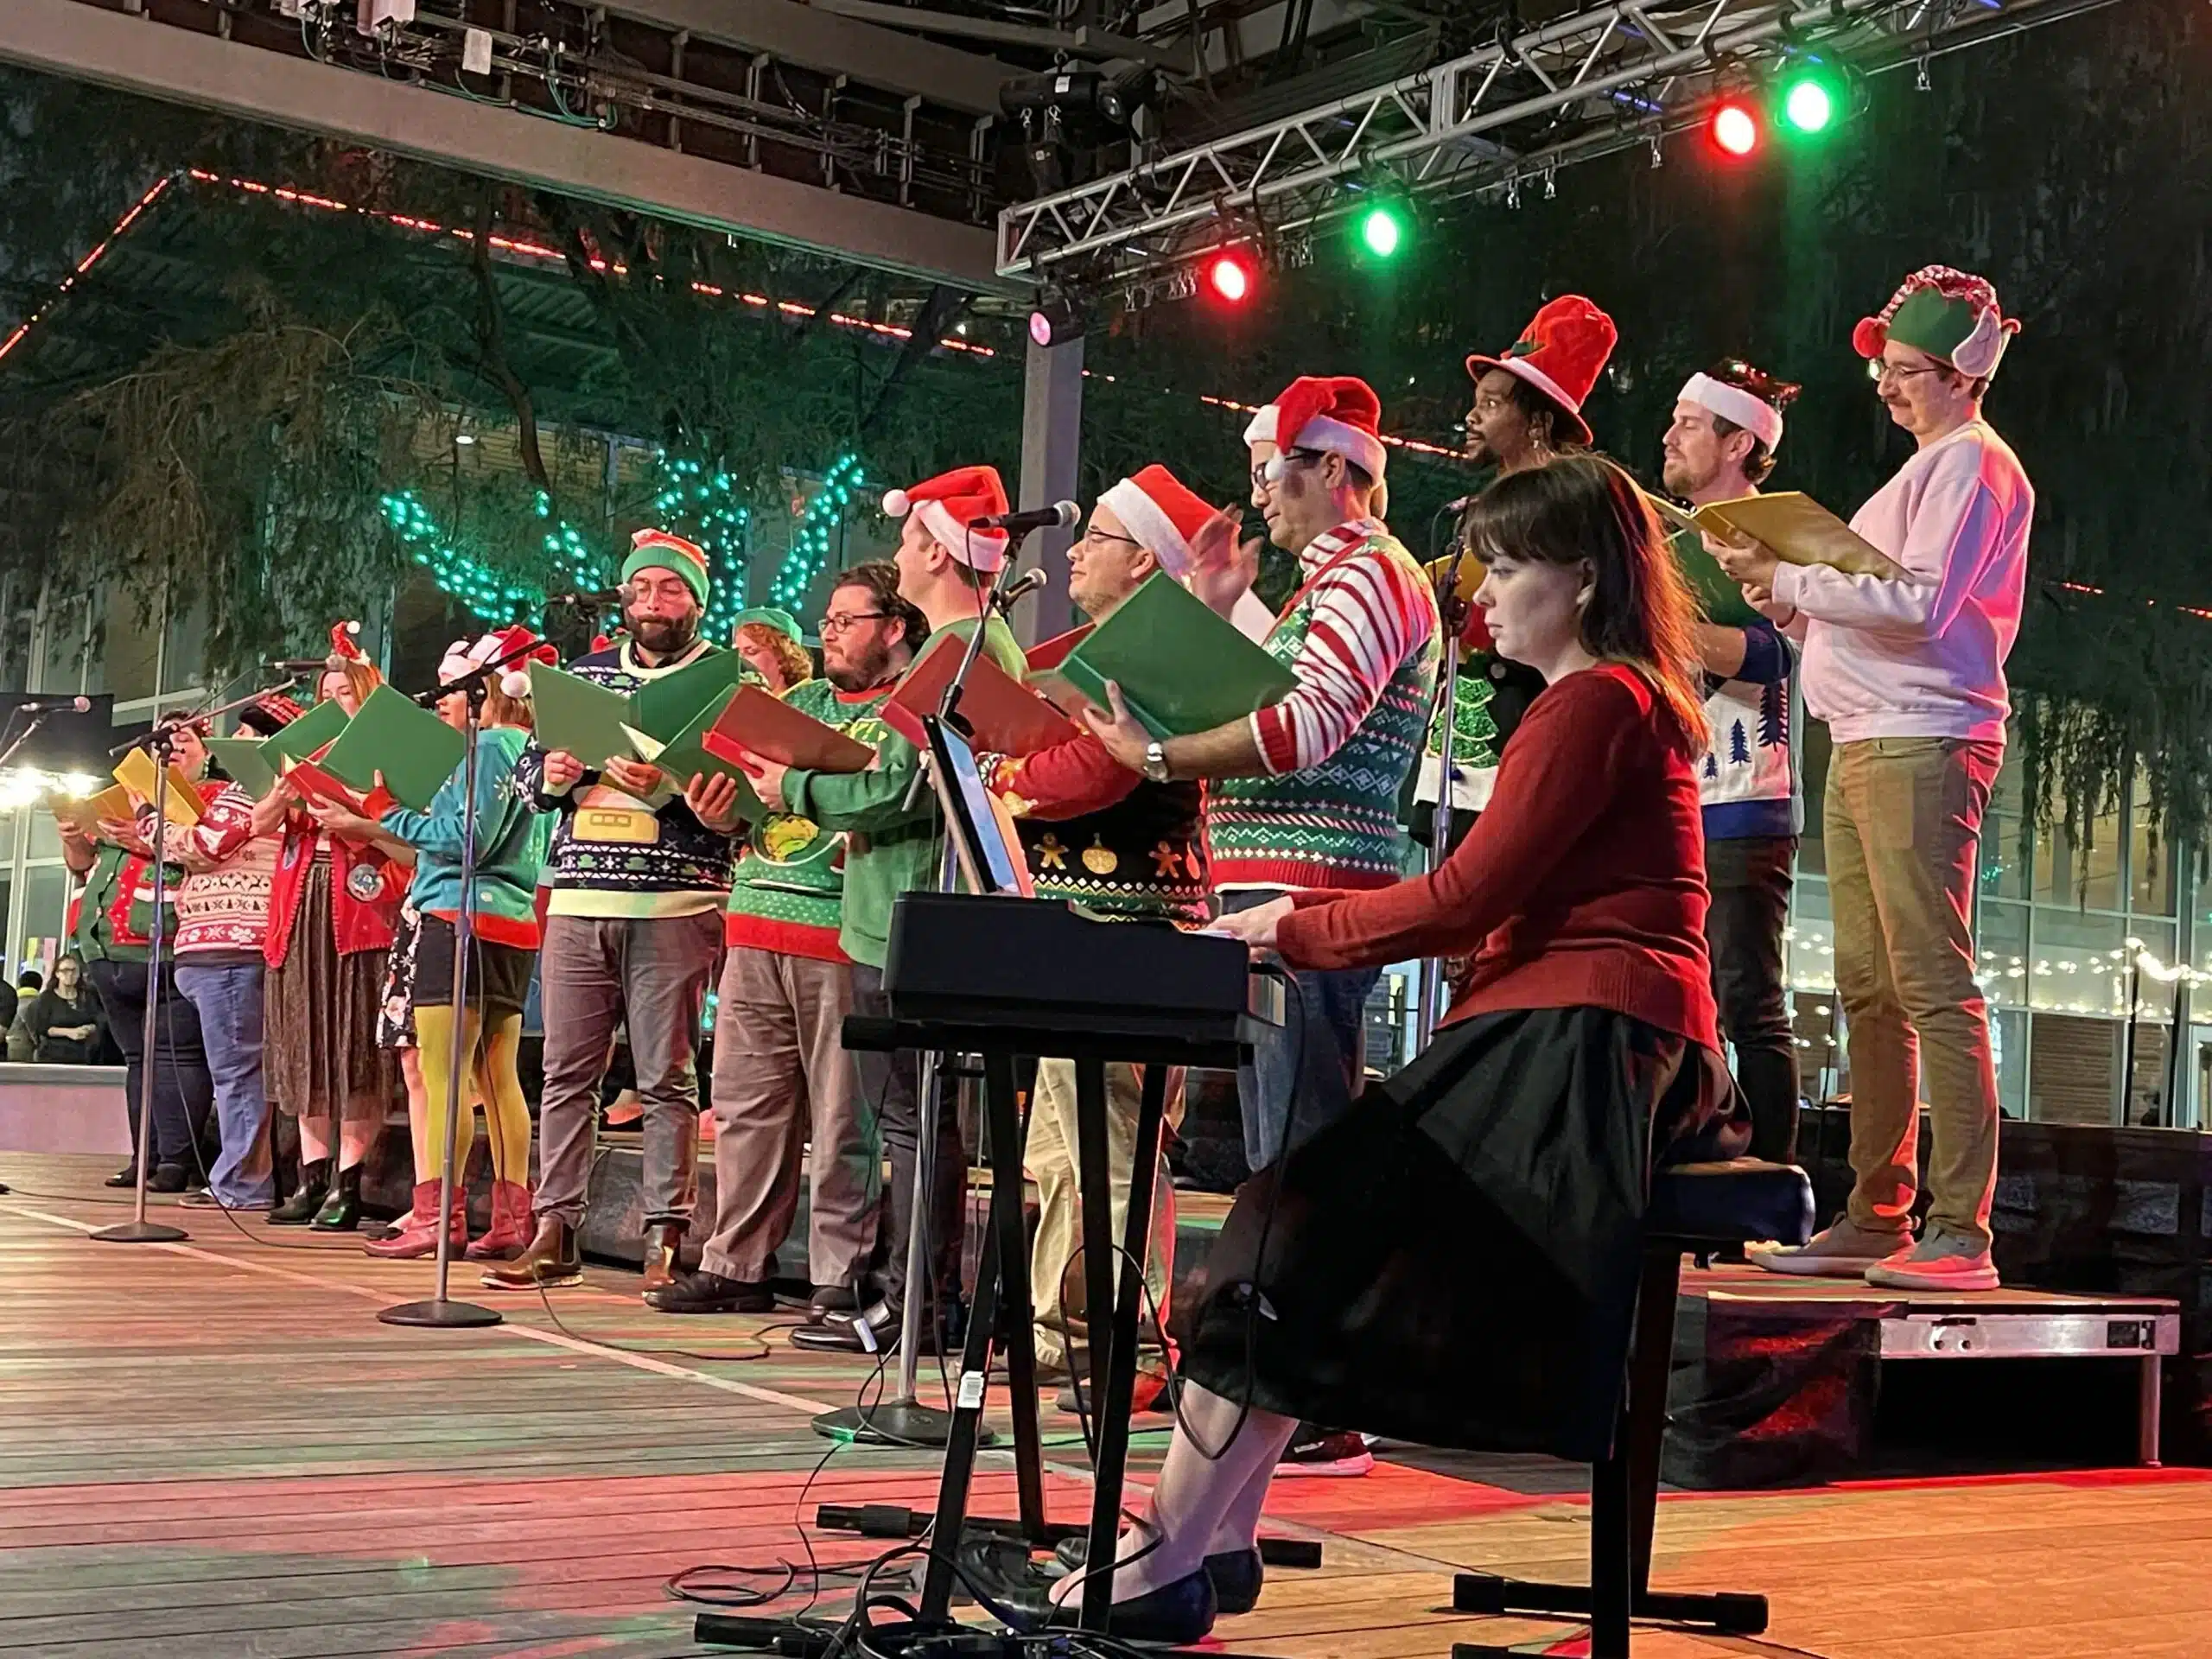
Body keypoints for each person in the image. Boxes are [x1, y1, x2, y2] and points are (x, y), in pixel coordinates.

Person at [980, 454, 1748, 1643]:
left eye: (1506, 567)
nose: (1483, 594)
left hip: (1586, 1044)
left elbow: (1461, 896)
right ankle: (1205, 1540)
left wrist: (1293, 930)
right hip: (1589, 1033)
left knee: (1297, 1228)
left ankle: (1175, 1550)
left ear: (1584, 577)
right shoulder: (1614, 702)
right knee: (1301, 1229)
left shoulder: (1598, 701)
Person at [1084, 379, 1439, 1475]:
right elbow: (1286, 688)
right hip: (1276, 892)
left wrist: (1154, 757)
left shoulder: (1373, 571)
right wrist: (1225, 609)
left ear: (1334, 472)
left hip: (1310, 894)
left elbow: (1302, 724)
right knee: (1285, 1146)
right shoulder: (1334, 582)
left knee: (1302, 1149)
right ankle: (1291, 1387)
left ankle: (1319, 1398)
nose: (1258, 499)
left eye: (1271, 475)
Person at [1721, 267, 2031, 1293]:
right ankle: (1878, 1213)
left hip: (1921, 737)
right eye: (1884, 370)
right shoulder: (1929, 468)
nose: (1885, 387)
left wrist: (1798, 581)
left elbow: (1920, 606)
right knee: (1868, 984)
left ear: (1958, 374)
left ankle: (1962, 1231)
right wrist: (1786, 605)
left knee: (1931, 981)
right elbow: (1877, 610)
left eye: (1903, 370)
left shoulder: (1973, 468)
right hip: (1864, 735)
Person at [734, 466, 1029, 1356]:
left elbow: (895, 786)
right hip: (892, 909)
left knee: (915, 1118)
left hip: (918, 914)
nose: (900, 554)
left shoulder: (961, 649)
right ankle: (914, 1297)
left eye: (907, 541)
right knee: (911, 1119)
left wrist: (793, 786)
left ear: (936, 547)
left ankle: (924, 1303)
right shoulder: (959, 645)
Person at [988, 466, 1217, 1411]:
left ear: (1144, 564)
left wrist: (1010, 769)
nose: (1074, 551)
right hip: (1074, 924)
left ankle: (1134, 1342)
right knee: (1056, 1147)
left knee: (1116, 1147)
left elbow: (1098, 772)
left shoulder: (1163, 652)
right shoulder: (1089, 649)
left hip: (1140, 928)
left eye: (1099, 541)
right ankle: (1054, 1328)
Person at [646, 564, 921, 1319]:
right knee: (745, 1104)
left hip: (840, 931)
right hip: (755, 918)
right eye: (825, 621)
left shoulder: (904, 714)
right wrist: (717, 809)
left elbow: (887, 803)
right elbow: (751, 810)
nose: (828, 633)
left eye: (845, 620)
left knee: (843, 1119)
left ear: (893, 628)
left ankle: (841, 1273)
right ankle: (737, 1260)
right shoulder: (798, 702)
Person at [487, 529, 741, 1293]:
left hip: (677, 898)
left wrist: (670, 788)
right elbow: (529, 780)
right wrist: (557, 771)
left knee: (666, 1076)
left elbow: (743, 801)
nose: (653, 603)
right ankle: (555, 1229)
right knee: (566, 1071)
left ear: (697, 600)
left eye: (670, 590)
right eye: (641, 590)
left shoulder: (725, 685)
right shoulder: (584, 677)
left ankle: (668, 1235)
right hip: (579, 894)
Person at [365, 626, 556, 1261]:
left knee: (445, 1077)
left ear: (486, 688)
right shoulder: (535, 752)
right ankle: (510, 1218)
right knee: (496, 1075)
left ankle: (436, 1216)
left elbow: (461, 839)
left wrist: (383, 810)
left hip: (457, 918)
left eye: (456, 687)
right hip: (511, 923)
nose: (446, 698)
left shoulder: (491, 749)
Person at [1662, 359, 1807, 1161]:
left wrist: (1660, 626)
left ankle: (1771, 1188)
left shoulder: (1776, 535)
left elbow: (1780, 653)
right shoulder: (1671, 535)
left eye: (1688, 422)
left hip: (1749, 791)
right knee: (1685, 997)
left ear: (1739, 441)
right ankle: (1699, 1166)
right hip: (1674, 792)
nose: (1669, 436)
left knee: (1748, 997)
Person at [1417, 296, 1618, 849]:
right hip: (1461, 747)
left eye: (1492, 404)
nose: (1472, 417)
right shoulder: (1474, 509)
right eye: (1475, 403)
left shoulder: (1577, 512)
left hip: (1531, 729)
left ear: (1538, 422)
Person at [263, 624, 410, 1231]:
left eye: (343, 694)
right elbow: (258, 826)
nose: (332, 704)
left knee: (354, 1041)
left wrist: (357, 814)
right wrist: (277, 792)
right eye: (324, 695)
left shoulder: (391, 753)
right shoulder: (300, 756)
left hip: (361, 908)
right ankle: (311, 1174)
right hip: (300, 904)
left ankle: (349, 1179)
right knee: (304, 1035)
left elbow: (408, 838)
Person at [154, 713, 289, 1211]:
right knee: (230, 1070)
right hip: (209, 946)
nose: (237, 742)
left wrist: (153, 821)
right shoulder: (231, 796)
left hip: (235, 946)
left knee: (238, 1071)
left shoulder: (254, 791)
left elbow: (205, 846)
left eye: (250, 736)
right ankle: (237, 1178)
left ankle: (243, 1185)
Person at [60, 791, 208, 1189]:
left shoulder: (209, 798)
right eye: (169, 733)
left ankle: (176, 1162)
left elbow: (208, 853)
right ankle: (146, 1158)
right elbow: (83, 865)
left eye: (185, 736)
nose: (173, 742)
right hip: (105, 949)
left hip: (164, 948)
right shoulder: (121, 796)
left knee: (175, 1057)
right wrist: (74, 838)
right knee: (138, 1060)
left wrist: (145, 839)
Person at [28, 953, 105, 1064]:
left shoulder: (87, 996)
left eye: (74, 971)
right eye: (65, 970)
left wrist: (89, 1028)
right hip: (53, 1055)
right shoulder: (47, 998)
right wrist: (69, 1032)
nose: (70, 974)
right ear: (57, 974)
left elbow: (98, 1019)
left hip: (84, 1055)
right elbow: (42, 1028)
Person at [732, 607, 813, 696]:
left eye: (752, 652)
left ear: (783, 656)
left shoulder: (810, 701)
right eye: (737, 654)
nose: (740, 661)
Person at [6, 970, 41, 1062]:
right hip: (24, 1048)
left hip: (9, 1045)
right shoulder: (34, 1002)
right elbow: (33, 1029)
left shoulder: (11, 999)